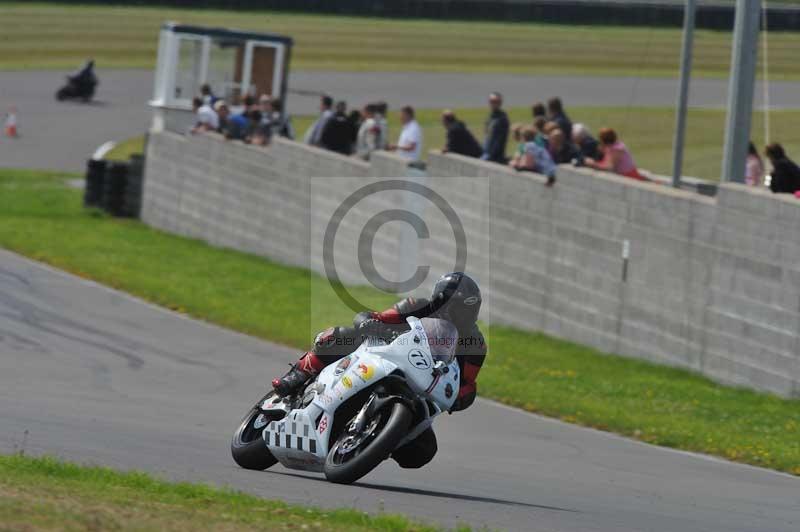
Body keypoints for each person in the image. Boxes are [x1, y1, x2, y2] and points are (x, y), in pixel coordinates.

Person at [271, 273, 487, 469]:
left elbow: (467, 383)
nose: (465, 315)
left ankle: (376, 439)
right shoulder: (417, 305)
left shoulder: (475, 344)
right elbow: (378, 317)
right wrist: (370, 323)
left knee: (423, 451)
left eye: (470, 309)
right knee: (341, 335)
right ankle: (297, 375)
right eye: (460, 308)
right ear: (443, 301)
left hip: (421, 387)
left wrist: (461, 398)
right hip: (384, 356)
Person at [482, 92, 509, 164]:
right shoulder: (490, 117)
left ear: (500, 103)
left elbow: (499, 141)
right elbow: (486, 135)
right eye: (491, 101)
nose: (493, 104)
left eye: (495, 102)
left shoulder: (502, 119)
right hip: (486, 153)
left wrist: (490, 156)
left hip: (494, 157)